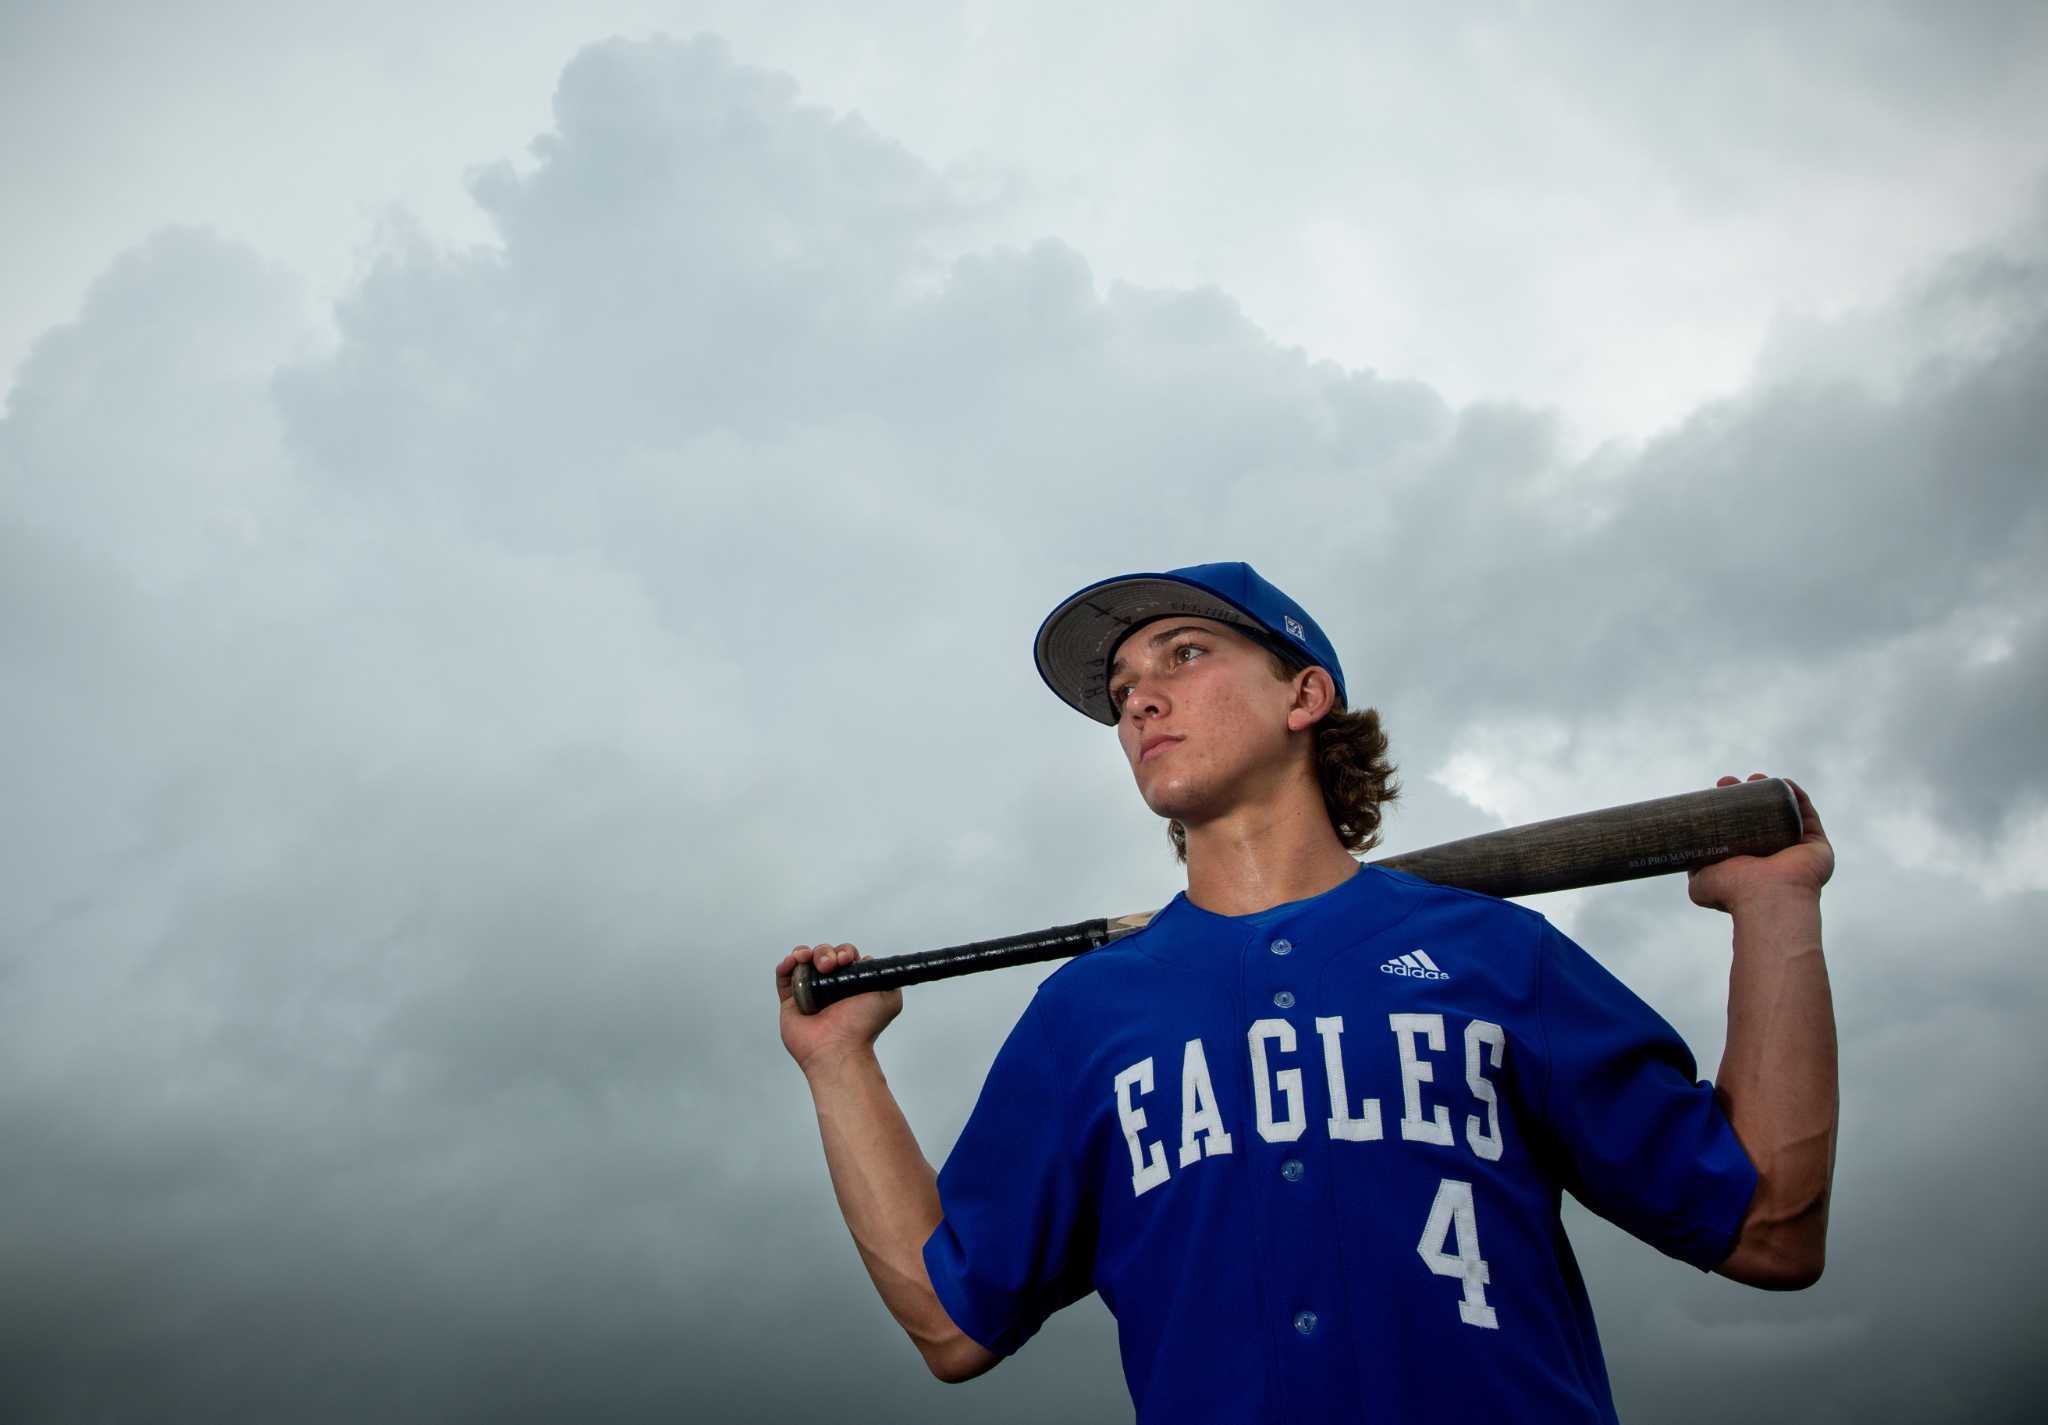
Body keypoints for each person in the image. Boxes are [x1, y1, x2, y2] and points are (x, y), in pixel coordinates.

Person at [775, 561, 1837, 1423]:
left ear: (1304, 694)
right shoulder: (1089, 1012)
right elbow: (952, 1323)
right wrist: (838, 1066)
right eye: (1120, 692)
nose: (1139, 696)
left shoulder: (1491, 956)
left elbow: (1768, 1230)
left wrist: (1774, 909)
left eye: (1183, 654)